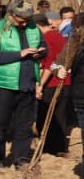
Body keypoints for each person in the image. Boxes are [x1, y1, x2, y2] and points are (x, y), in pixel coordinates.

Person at [0, 0, 44, 168]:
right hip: (4, 86)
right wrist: (21, 53)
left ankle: (22, 159)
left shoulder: (34, 29)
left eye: (27, 20)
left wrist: (40, 54)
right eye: (21, 20)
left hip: (27, 84)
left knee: (25, 126)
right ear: (10, 16)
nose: (25, 23)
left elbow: (44, 48)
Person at [34, 12, 70, 155]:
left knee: (48, 115)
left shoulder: (47, 38)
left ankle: (51, 148)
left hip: (53, 82)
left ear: (37, 26)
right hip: (65, 81)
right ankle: (60, 147)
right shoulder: (58, 35)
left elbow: (50, 64)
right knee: (60, 115)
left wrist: (41, 84)